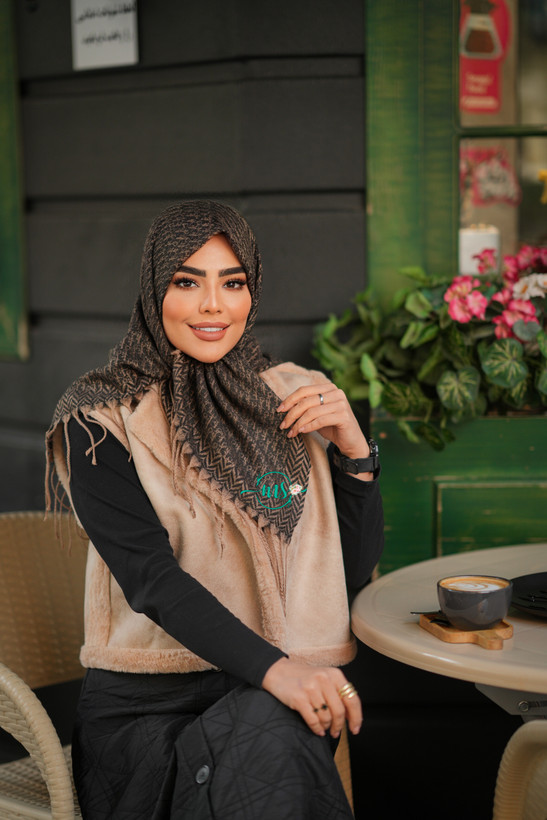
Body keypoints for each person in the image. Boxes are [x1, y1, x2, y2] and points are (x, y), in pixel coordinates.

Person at [46, 200, 384, 820]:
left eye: (232, 283)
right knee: (275, 734)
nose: (213, 306)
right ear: (154, 289)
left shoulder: (293, 398)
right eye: (187, 282)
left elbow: (348, 574)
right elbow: (151, 579)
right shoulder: (98, 419)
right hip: (153, 708)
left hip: (277, 696)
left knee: (273, 730)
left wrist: (356, 457)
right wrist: (278, 671)